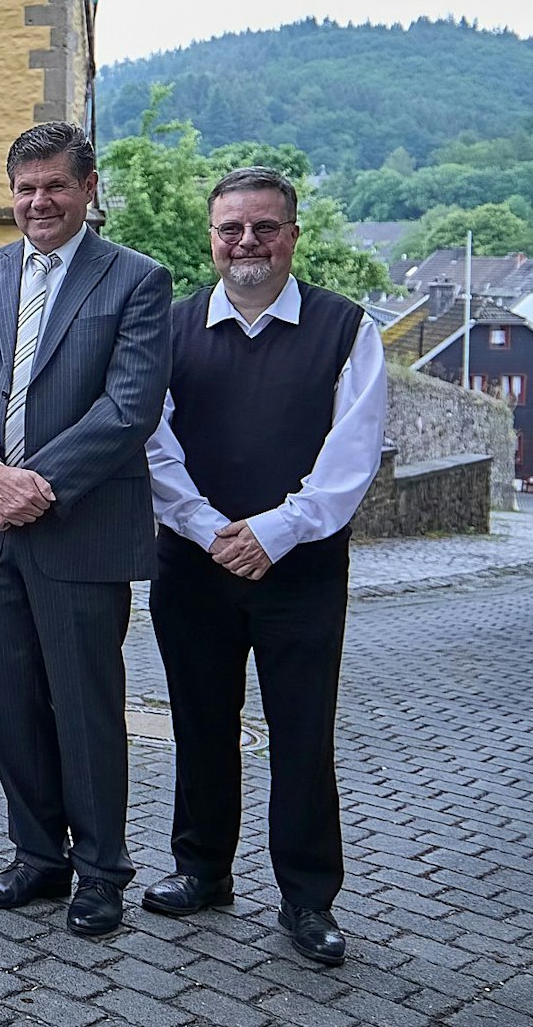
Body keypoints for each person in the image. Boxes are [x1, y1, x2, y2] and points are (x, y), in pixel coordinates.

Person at [0, 121, 171, 936]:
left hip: (81, 530)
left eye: (56, 186)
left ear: (88, 187)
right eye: (26, 188)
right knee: (10, 704)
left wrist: (38, 484)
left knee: (85, 706)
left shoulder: (136, 280)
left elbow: (129, 406)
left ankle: (102, 871)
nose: (39, 202)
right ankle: (37, 855)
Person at [142, 167, 387, 967]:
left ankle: (308, 898)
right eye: (230, 229)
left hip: (303, 572)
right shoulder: (171, 328)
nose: (246, 241)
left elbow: (350, 458)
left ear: (292, 233)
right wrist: (215, 530)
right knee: (200, 723)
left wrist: (273, 532)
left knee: (303, 735)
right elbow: (153, 443)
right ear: (211, 238)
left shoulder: (346, 328)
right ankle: (202, 868)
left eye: (264, 227)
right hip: (194, 564)